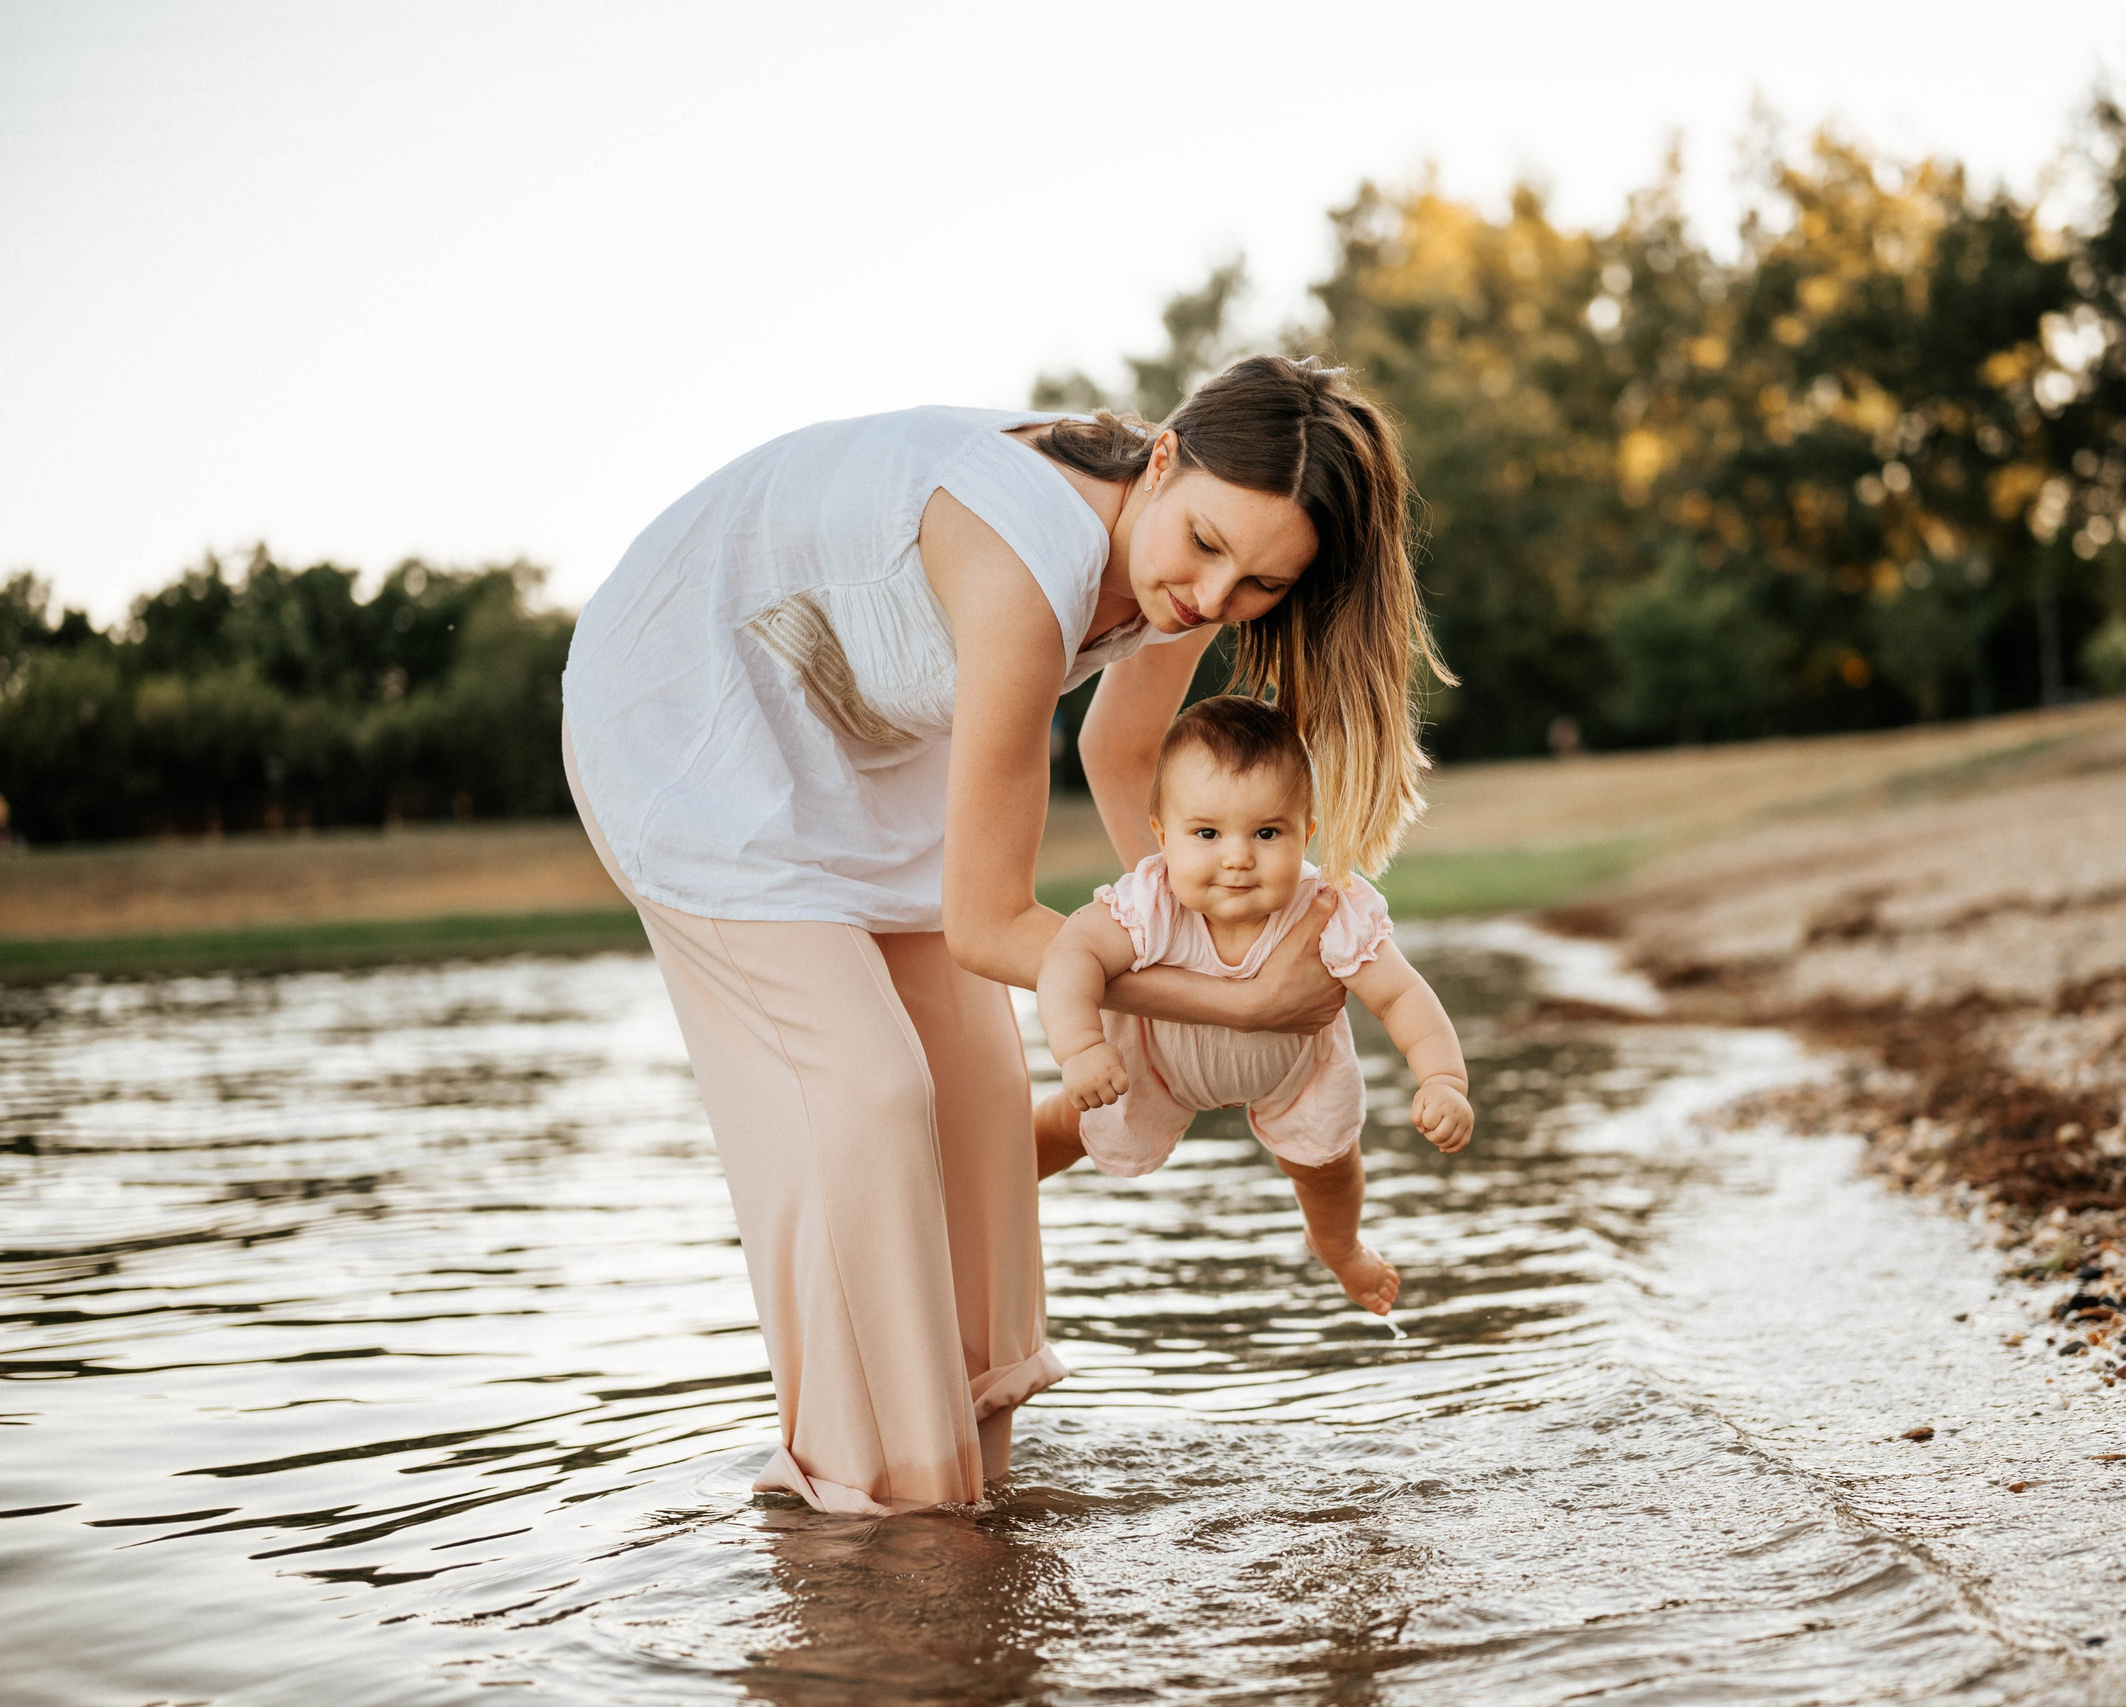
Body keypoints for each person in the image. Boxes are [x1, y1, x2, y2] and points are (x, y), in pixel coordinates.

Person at [560, 356, 1449, 1516]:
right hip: (688, 708)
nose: (1215, 595)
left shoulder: (1180, 573)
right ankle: (871, 1512)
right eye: (1209, 546)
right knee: (872, 1095)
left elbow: (1122, 756)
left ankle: (976, 1490)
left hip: (858, 730)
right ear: (1164, 455)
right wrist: (1229, 1005)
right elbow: (989, 923)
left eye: (1261, 585)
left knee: (980, 1097)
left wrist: (1200, 945)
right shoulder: (1027, 567)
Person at [1034, 695, 1472, 1316]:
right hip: (1154, 1065)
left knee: (1328, 1166)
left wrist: (1443, 1078)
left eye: (1267, 832)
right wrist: (1080, 1047)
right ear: (1163, 835)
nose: (1237, 856)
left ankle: (1340, 1248)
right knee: (1072, 1122)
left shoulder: (1330, 910)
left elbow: (1402, 994)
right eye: (1207, 834)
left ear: (1306, 833)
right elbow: (1069, 956)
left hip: (1292, 1074)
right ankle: (1003, 1182)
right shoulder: (1151, 902)